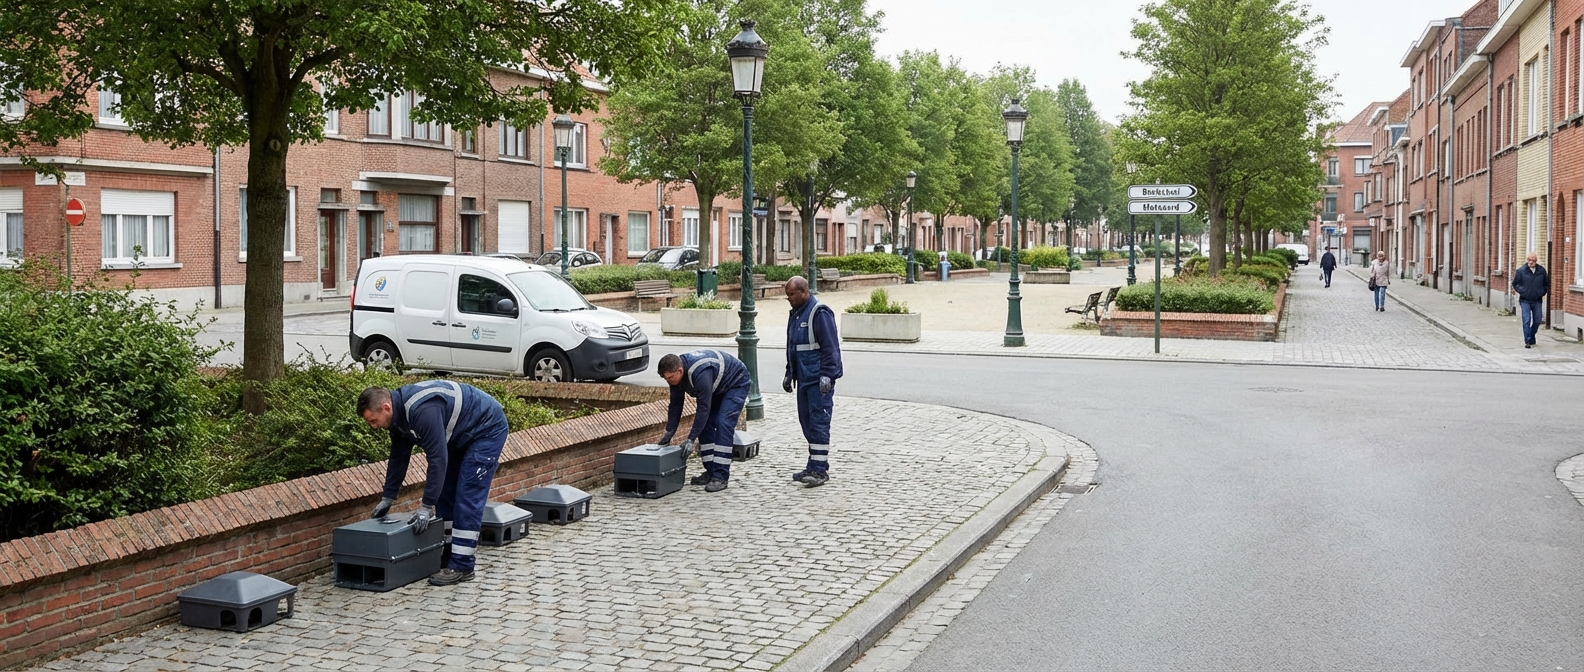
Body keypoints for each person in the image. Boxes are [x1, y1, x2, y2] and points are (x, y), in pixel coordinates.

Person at [359, 380, 509, 586]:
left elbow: (437, 459)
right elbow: (398, 458)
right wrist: (388, 497)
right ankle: (449, 555)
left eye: (373, 421)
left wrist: (426, 507)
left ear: (386, 408)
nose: (373, 427)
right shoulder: (398, 418)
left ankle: (463, 565)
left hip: (486, 430)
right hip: (460, 434)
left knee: (467, 495)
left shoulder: (422, 411)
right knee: (445, 491)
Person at [658, 350, 751, 492]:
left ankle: (720, 476)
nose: (668, 381)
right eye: (666, 379)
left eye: (670, 378)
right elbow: (676, 404)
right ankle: (711, 472)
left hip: (736, 383)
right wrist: (669, 432)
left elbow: (703, 409)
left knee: (723, 423)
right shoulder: (676, 375)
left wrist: (690, 439)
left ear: (679, 370)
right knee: (705, 425)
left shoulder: (699, 373)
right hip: (718, 386)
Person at [782, 276, 843, 488]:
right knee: (806, 422)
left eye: (791, 294)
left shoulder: (819, 312)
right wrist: (790, 373)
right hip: (804, 379)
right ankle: (813, 464)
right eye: (787, 294)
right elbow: (793, 347)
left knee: (818, 422)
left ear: (804, 292)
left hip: (818, 380)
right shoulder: (797, 314)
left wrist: (828, 374)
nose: (788, 298)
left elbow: (830, 346)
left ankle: (819, 470)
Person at [1512, 252, 1550, 348]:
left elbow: (1546, 283)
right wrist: (1523, 291)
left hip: (1537, 300)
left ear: (1536, 261)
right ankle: (1528, 341)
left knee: (1537, 320)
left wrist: (1542, 292)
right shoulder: (1521, 271)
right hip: (1525, 300)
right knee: (1527, 320)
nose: (1531, 262)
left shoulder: (1541, 271)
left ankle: (1532, 335)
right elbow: (1515, 283)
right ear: (1527, 260)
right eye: (1529, 260)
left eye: (1533, 260)